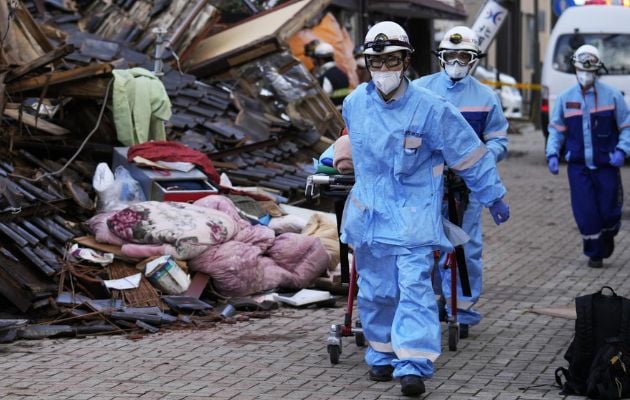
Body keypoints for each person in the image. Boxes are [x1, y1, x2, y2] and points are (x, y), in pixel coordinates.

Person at [339, 21, 510, 397]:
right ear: (367, 62)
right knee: (377, 292)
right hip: (370, 218)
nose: (384, 68)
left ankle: (414, 364)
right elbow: (350, 145)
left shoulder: (433, 109)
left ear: (407, 60)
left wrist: (492, 195)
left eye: (392, 60)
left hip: (415, 218)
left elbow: (469, 155)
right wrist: (334, 160)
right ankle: (382, 355)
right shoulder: (354, 105)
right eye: (377, 61)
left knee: (415, 289)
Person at [413, 26, 509, 339]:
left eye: (463, 55)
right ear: (440, 57)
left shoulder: (485, 97)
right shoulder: (419, 90)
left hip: (467, 188)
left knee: (466, 248)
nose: (456, 61)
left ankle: (463, 309)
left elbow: (498, 139)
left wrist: (481, 159)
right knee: (424, 245)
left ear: (473, 60)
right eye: (450, 55)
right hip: (426, 186)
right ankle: (430, 302)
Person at [546, 44, 630, 269]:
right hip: (578, 166)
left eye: (589, 70)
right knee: (586, 212)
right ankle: (595, 254)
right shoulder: (565, 99)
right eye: (581, 69)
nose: (585, 74)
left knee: (610, 211)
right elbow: (556, 129)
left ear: (597, 70)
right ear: (574, 69)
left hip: (606, 164)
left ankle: (609, 232)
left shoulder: (612, 96)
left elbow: (627, 126)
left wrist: (622, 150)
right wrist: (552, 153)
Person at [309, 41, 351, 106]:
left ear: (320, 59)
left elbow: (323, 102)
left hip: (335, 114)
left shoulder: (325, 77)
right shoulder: (343, 74)